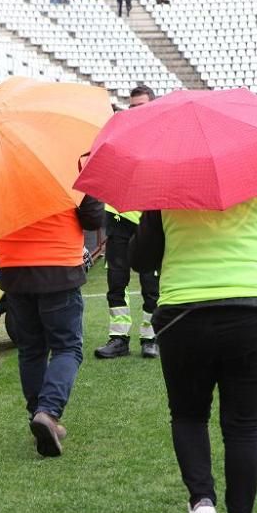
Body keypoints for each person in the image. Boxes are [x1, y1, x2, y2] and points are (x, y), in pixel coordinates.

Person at [129, 189, 257, 513]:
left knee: (188, 415)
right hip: (255, 306)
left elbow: (142, 257)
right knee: (244, 426)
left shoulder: (165, 181)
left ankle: (201, 500)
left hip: (185, 312)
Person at [0, 193, 104, 458]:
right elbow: (92, 217)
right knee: (67, 348)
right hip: (58, 263)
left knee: (31, 349)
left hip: (14, 267)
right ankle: (48, 412)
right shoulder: (65, 159)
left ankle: (40, 415)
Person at [95, 85, 160, 361]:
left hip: (149, 218)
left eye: (142, 106)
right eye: (132, 107)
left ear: (153, 106)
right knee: (116, 281)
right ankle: (118, 338)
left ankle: (150, 337)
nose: (137, 112)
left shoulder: (162, 138)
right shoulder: (118, 135)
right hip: (118, 217)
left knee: (151, 285)